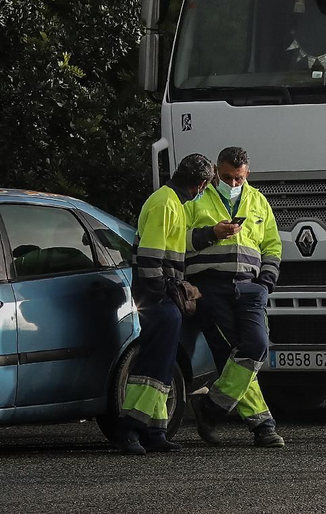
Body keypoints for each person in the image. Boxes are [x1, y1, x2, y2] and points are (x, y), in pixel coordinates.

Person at [110, 153, 214, 455]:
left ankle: (155, 428)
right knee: (153, 362)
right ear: (202, 184)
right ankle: (129, 426)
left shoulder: (172, 202)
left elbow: (176, 245)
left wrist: (210, 234)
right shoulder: (166, 203)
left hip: (160, 292)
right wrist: (162, 293)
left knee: (164, 360)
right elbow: (150, 255)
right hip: (156, 293)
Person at [186, 146, 286, 449]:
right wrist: (211, 233)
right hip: (211, 285)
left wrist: (265, 283)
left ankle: (211, 407)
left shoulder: (258, 201)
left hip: (250, 286)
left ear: (248, 174)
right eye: (227, 177)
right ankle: (262, 426)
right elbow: (178, 239)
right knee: (233, 352)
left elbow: (273, 246)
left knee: (256, 346)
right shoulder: (197, 198)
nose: (232, 184)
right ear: (216, 171)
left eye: (238, 179)